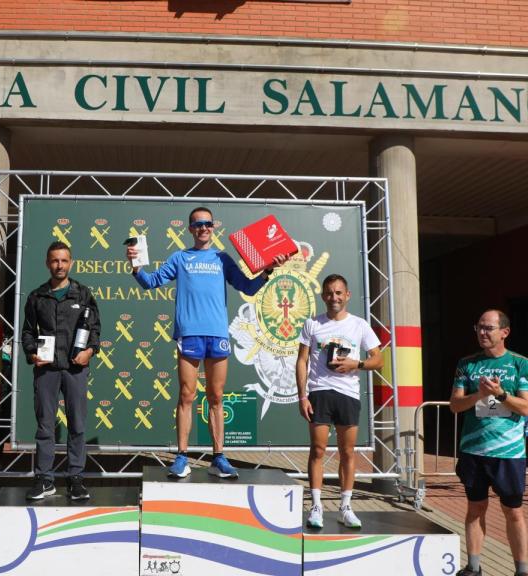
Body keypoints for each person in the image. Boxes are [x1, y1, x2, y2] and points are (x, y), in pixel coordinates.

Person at [127, 206, 286, 478]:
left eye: (207, 223)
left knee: (216, 397)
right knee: (187, 395)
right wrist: (136, 265)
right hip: (189, 333)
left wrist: (267, 271)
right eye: (197, 224)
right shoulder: (180, 257)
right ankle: (181, 456)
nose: (203, 228)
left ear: (214, 227)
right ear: (190, 229)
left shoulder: (222, 258)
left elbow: (247, 288)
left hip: (217, 334)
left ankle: (218, 457)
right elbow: (150, 282)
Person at [450, 310, 528, 576]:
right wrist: (480, 394)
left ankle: (521, 569)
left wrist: (500, 394)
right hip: (473, 450)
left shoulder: (522, 364)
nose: (482, 333)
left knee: (513, 511)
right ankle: (474, 566)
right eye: (478, 327)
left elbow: (524, 407)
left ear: (504, 332)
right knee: (475, 508)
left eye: (488, 328)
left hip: (508, 453)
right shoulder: (467, 364)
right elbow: (455, 405)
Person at [295, 274, 383, 529]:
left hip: (348, 394)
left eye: (339, 293)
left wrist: (357, 363)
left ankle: (346, 506)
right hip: (319, 392)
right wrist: (302, 396)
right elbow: (301, 361)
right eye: (329, 293)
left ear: (348, 295)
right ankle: (316, 506)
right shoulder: (312, 324)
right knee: (318, 450)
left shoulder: (359, 325)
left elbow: (379, 359)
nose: (334, 297)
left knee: (347, 453)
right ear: (323, 296)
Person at [20, 241, 101, 500]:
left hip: (75, 369)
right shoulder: (36, 296)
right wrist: (32, 353)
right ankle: (44, 479)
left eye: (64, 260)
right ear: (47, 263)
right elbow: (27, 332)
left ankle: (75, 478)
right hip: (47, 370)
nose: (59, 265)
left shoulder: (83, 293)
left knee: (77, 424)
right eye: (55, 260)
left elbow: (95, 329)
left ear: (71, 262)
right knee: (45, 426)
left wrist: (89, 351)